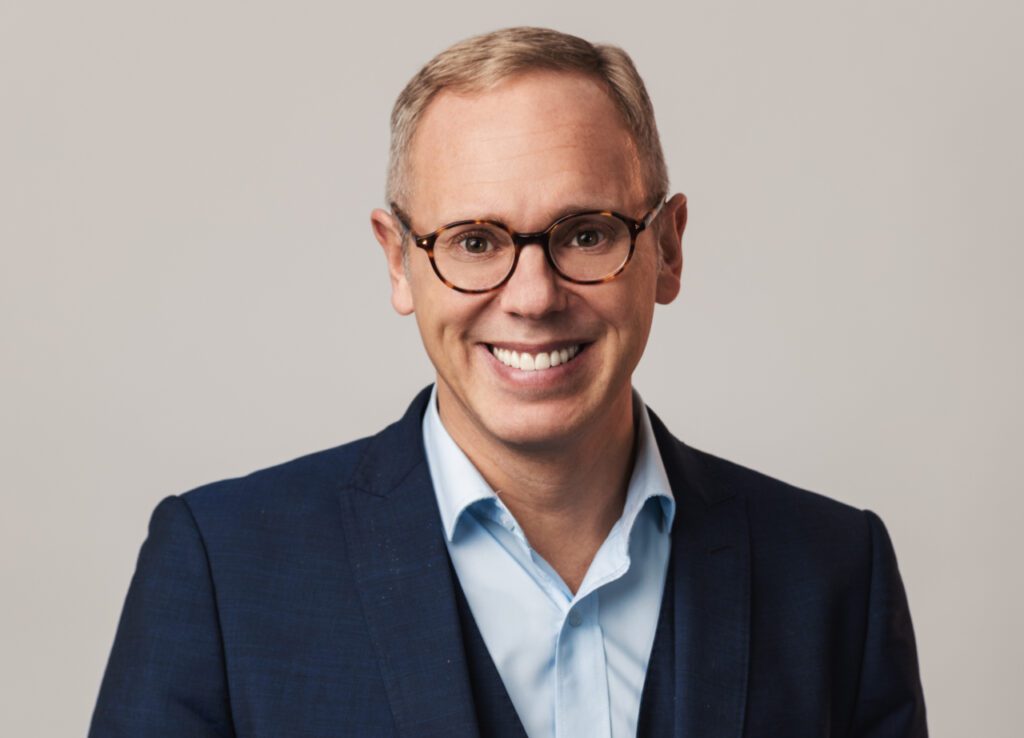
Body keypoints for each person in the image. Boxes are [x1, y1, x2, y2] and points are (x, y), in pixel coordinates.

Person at [89, 26, 928, 738]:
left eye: (588, 233)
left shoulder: (833, 575)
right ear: (398, 262)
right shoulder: (222, 571)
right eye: (475, 242)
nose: (532, 298)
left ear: (667, 249)